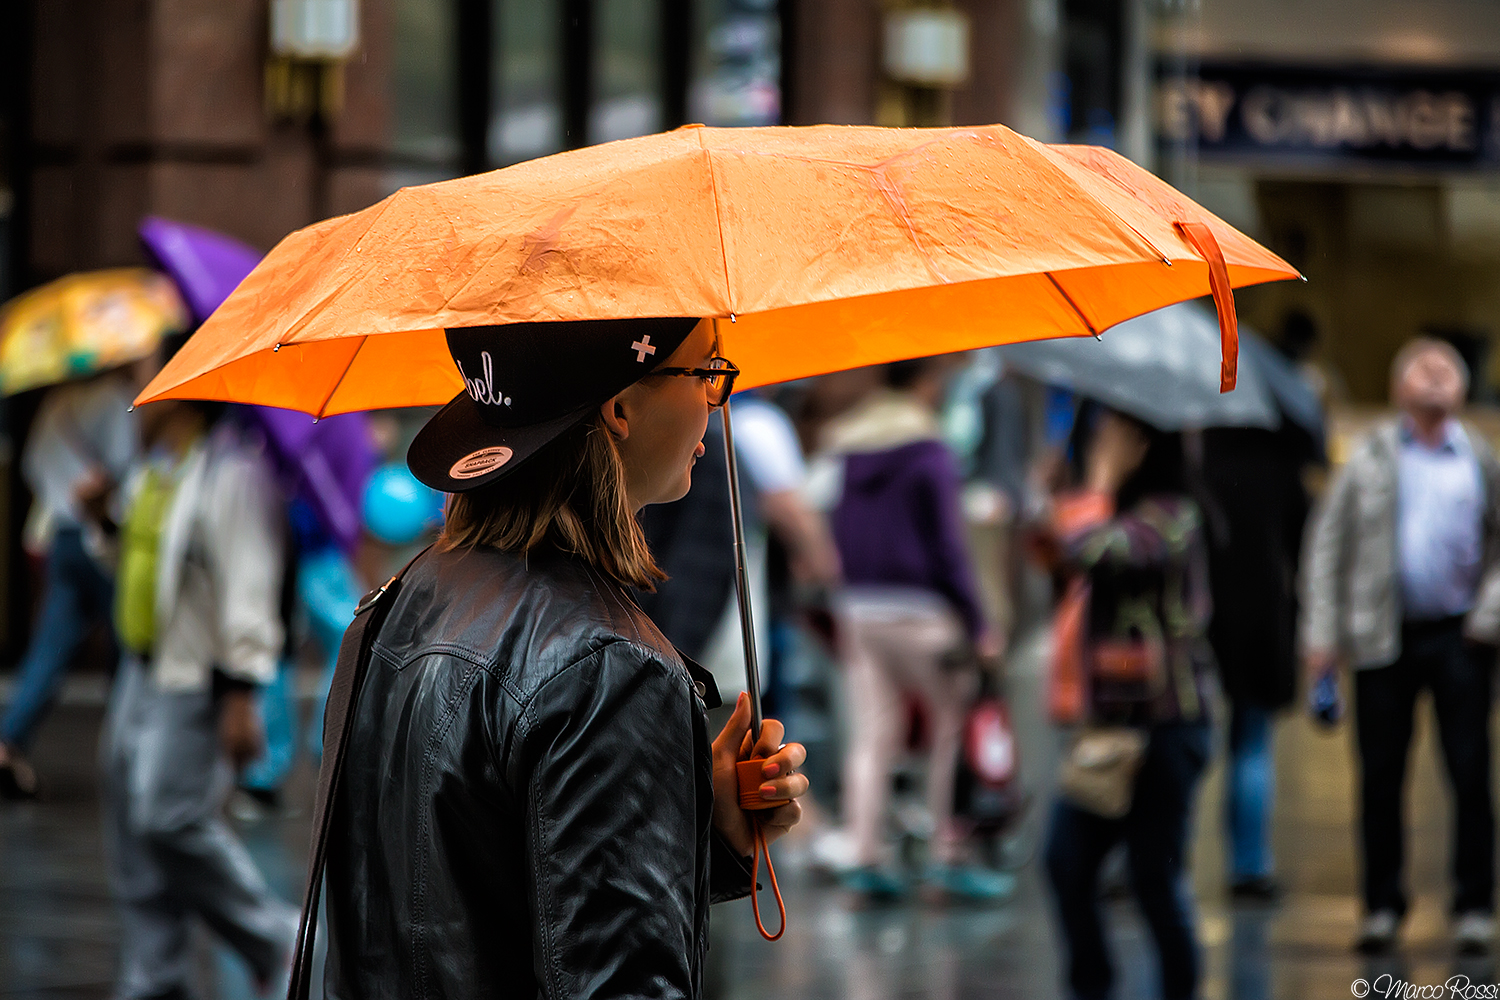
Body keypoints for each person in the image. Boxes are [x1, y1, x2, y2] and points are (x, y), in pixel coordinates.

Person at [323, 317, 809, 997]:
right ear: (618, 407)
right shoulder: (608, 668)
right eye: (705, 371)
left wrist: (701, 830)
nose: (714, 397)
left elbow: (473, 892)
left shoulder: (398, 601)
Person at [99, 336, 299, 998]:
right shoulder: (158, 470)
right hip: (139, 672)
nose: (135, 388)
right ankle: (156, 976)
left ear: (180, 387)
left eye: (145, 370)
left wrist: (242, 691)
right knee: (133, 825)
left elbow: (251, 584)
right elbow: (139, 571)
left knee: (168, 819)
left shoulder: (231, 473)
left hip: (192, 680)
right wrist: (101, 518)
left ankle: (276, 939)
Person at [1301, 338, 1500, 956]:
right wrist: (1322, 639)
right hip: (1382, 637)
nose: (1437, 370)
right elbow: (1327, 546)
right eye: (1421, 362)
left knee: (1470, 775)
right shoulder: (1368, 459)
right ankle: (1382, 905)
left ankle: (1474, 906)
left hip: (1461, 636)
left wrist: (1490, 612)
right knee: (1380, 778)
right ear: (1397, 388)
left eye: (1448, 365)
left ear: (1463, 391)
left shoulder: (1483, 460)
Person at [810, 357, 1008, 902]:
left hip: (859, 607)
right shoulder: (930, 451)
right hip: (922, 609)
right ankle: (948, 853)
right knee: (952, 719)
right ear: (925, 384)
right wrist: (980, 623)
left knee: (873, 734)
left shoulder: (849, 446)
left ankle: (866, 851)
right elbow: (949, 549)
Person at [1040, 404, 1215, 1000]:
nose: (1099, 444)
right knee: (1066, 863)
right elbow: (1053, 552)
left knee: (1153, 879)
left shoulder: (1173, 516)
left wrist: (1098, 484)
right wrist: (1058, 494)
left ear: (1144, 442)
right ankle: (1092, 987)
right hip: (1110, 729)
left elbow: (1095, 551)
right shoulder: (1114, 507)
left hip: (1168, 726)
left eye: (1112, 435)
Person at [0, 369, 140, 798]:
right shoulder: (118, 399)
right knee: (128, 644)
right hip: (103, 535)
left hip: (61, 535)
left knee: (49, 648)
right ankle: (130, 751)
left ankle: (8, 742)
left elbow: (31, 465)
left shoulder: (55, 403)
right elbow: (127, 465)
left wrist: (63, 493)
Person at [1201, 422, 1317, 899]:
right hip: (1265, 617)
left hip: (1203, 617)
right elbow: (1303, 544)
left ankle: (1160, 863)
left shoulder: (1201, 460)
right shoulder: (1284, 465)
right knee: (1252, 743)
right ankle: (1249, 866)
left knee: (1188, 743)